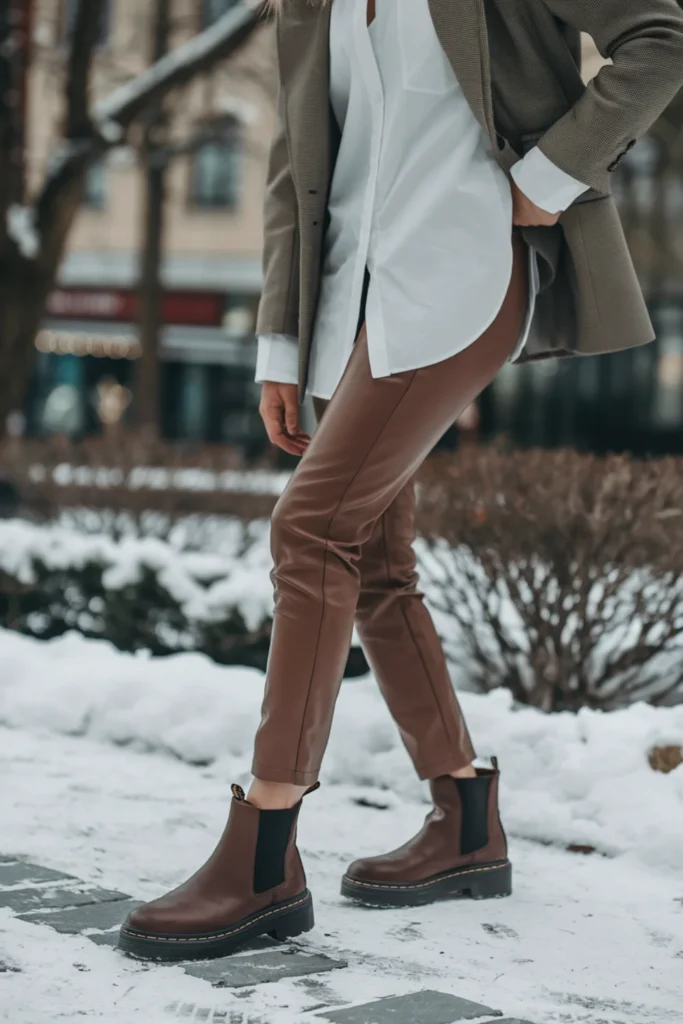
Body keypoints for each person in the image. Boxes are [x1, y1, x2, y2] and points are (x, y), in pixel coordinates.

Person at [119, 0, 683, 960]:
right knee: (373, 552)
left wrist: (548, 176)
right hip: (353, 302)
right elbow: (299, 168)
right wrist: (279, 348)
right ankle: (464, 826)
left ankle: (263, 856)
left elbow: (658, 37)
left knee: (311, 531)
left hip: (462, 274)